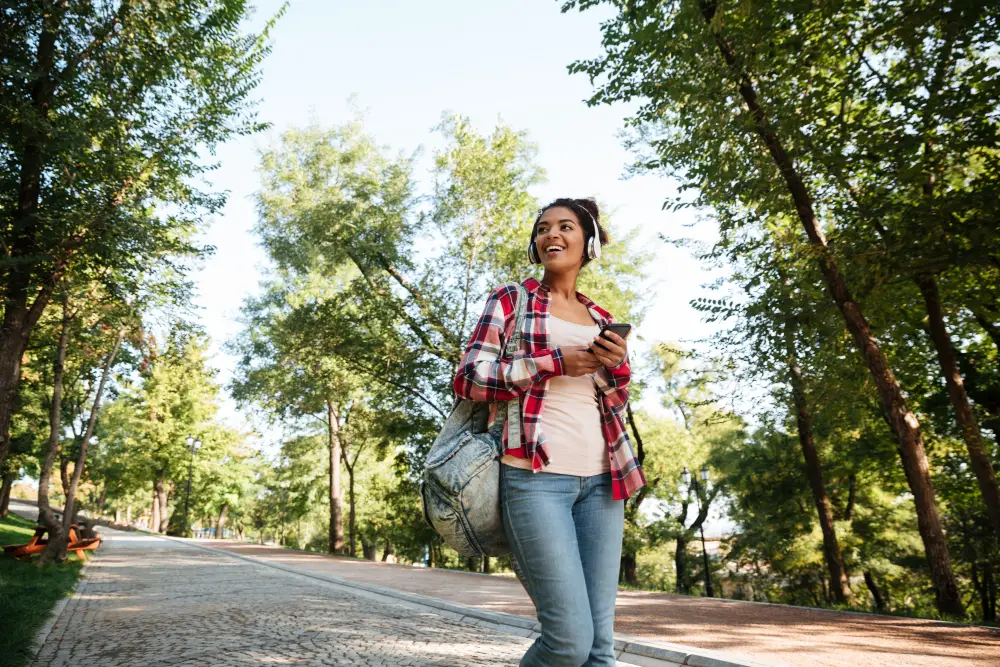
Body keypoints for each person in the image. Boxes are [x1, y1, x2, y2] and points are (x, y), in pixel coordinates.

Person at [453, 198, 646, 667]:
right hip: (535, 479)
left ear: (588, 241)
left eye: (565, 226)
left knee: (600, 652)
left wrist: (617, 367)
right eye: (543, 229)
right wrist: (553, 363)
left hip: (605, 482)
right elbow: (469, 378)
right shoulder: (510, 301)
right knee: (567, 642)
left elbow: (614, 402)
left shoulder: (600, 317)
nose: (551, 235)